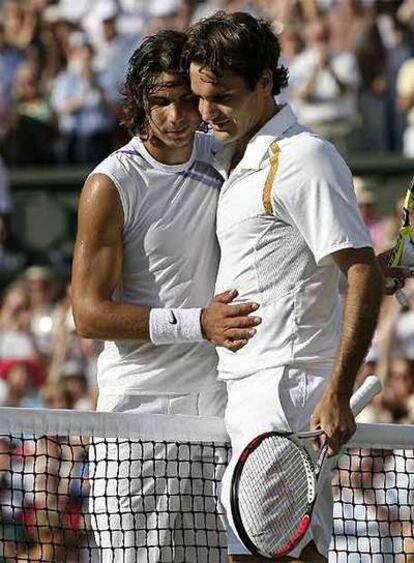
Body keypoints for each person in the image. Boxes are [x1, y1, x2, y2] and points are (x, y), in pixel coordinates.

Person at [183, 11, 385, 562]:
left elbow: (360, 271)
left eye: (221, 96)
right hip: (251, 388)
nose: (206, 112)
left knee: (254, 556)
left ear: (266, 82)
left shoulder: (303, 159)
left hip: (284, 387)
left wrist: (338, 390)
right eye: (200, 96)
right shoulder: (238, 159)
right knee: (294, 554)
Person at [71, 29, 261, 563]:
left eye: (186, 100)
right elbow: (87, 315)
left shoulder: (226, 158)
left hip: (212, 412)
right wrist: (197, 323)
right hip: (137, 416)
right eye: (161, 102)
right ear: (139, 103)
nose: (177, 115)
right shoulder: (110, 184)